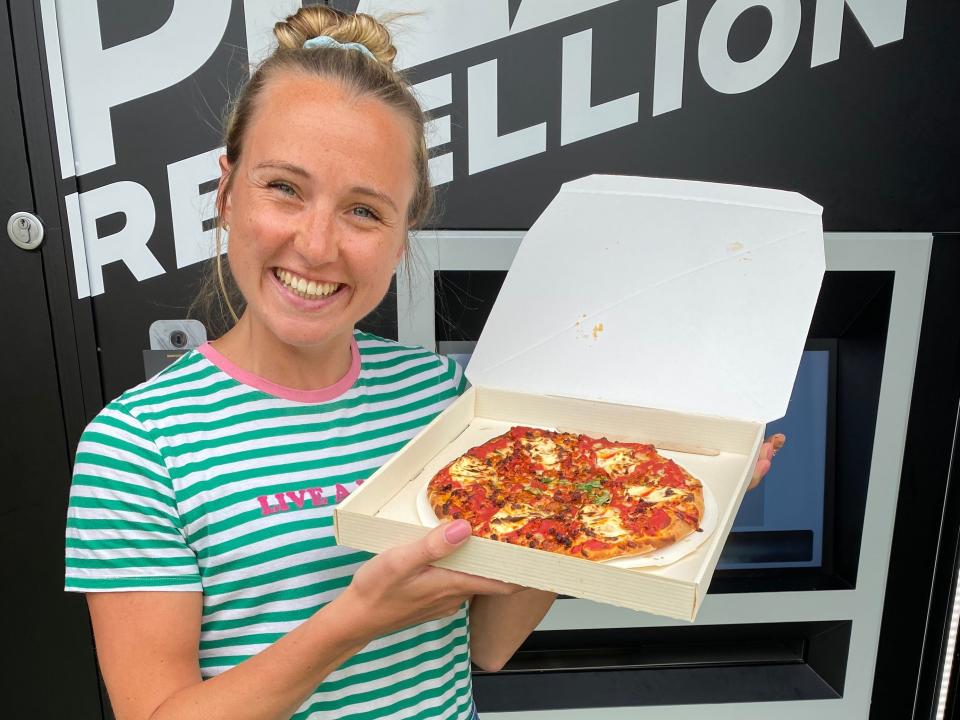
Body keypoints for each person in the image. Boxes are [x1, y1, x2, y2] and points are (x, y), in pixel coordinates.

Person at [64, 7, 782, 720]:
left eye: (365, 212)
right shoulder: (136, 448)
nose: (316, 245)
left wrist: (623, 513)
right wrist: (353, 621)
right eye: (284, 188)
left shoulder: (441, 399)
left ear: (402, 237)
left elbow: (488, 646)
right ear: (225, 191)